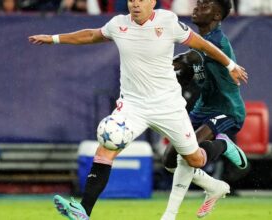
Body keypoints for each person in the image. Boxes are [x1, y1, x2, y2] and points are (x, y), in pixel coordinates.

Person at [28, 0, 248, 219]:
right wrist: (54, 39)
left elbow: (201, 43)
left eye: (141, 0)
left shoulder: (168, 21)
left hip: (168, 106)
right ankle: (84, 210)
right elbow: (91, 35)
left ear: (152, 2)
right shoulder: (118, 24)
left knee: (195, 160)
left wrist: (230, 65)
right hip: (133, 106)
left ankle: (222, 145)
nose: (135, 4)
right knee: (105, 148)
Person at [161, 0, 247, 219]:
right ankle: (213, 186)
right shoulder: (196, 43)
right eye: (197, 3)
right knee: (169, 159)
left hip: (227, 109)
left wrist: (160, 62)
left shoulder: (217, 41)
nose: (197, 7)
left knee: (191, 148)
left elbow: (187, 60)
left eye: (205, 5)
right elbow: (187, 73)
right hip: (202, 109)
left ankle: (170, 214)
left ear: (217, 16)